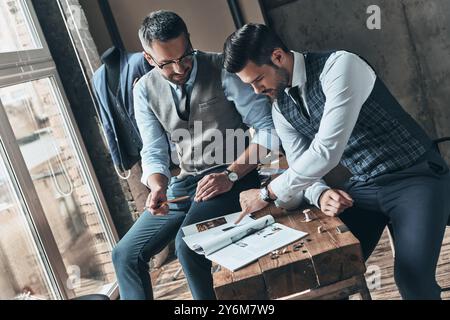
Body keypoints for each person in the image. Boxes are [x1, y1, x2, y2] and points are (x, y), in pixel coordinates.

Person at [223, 23, 450, 300]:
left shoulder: (341, 66)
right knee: (325, 272)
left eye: (258, 80)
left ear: (278, 56)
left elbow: (326, 151)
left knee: (412, 279)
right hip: (365, 188)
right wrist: (320, 193)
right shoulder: (280, 109)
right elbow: (300, 167)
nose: (256, 91)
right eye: (250, 85)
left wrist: (267, 193)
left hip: (416, 177)